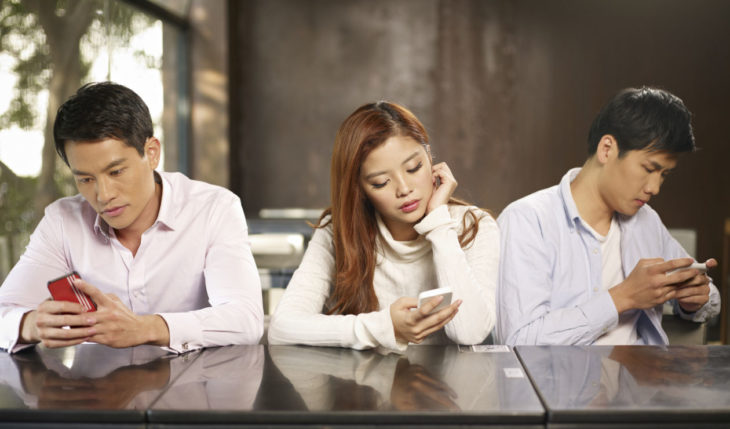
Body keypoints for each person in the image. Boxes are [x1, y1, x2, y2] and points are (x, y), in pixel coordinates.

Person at [0, 82, 263, 353]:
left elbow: (245, 319)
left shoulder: (213, 208)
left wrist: (147, 328)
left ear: (151, 153)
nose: (103, 195)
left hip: (191, 386)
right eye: (86, 179)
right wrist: (30, 325)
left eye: (116, 172)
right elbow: (4, 310)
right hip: (95, 390)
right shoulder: (63, 220)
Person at [496, 87, 720, 346]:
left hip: (644, 381)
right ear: (607, 149)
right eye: (649, 169)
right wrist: (622, 297)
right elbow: (518, 340)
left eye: (664, 175)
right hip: (558, 384)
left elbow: (709, 299)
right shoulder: (528, 221)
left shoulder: (646, 221)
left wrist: (694, 300)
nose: (654, 188)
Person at [268, 101, 499, 351]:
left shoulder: (472, 226)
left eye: (414, 168)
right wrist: (384, 326)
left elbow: (470, 332)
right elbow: (282, 328)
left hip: (449, 389)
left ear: (429, 156)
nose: (404, 189)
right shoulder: (337, 232)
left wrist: (439, 224)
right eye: (380, 183)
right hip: (359, 386)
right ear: (361, 190)